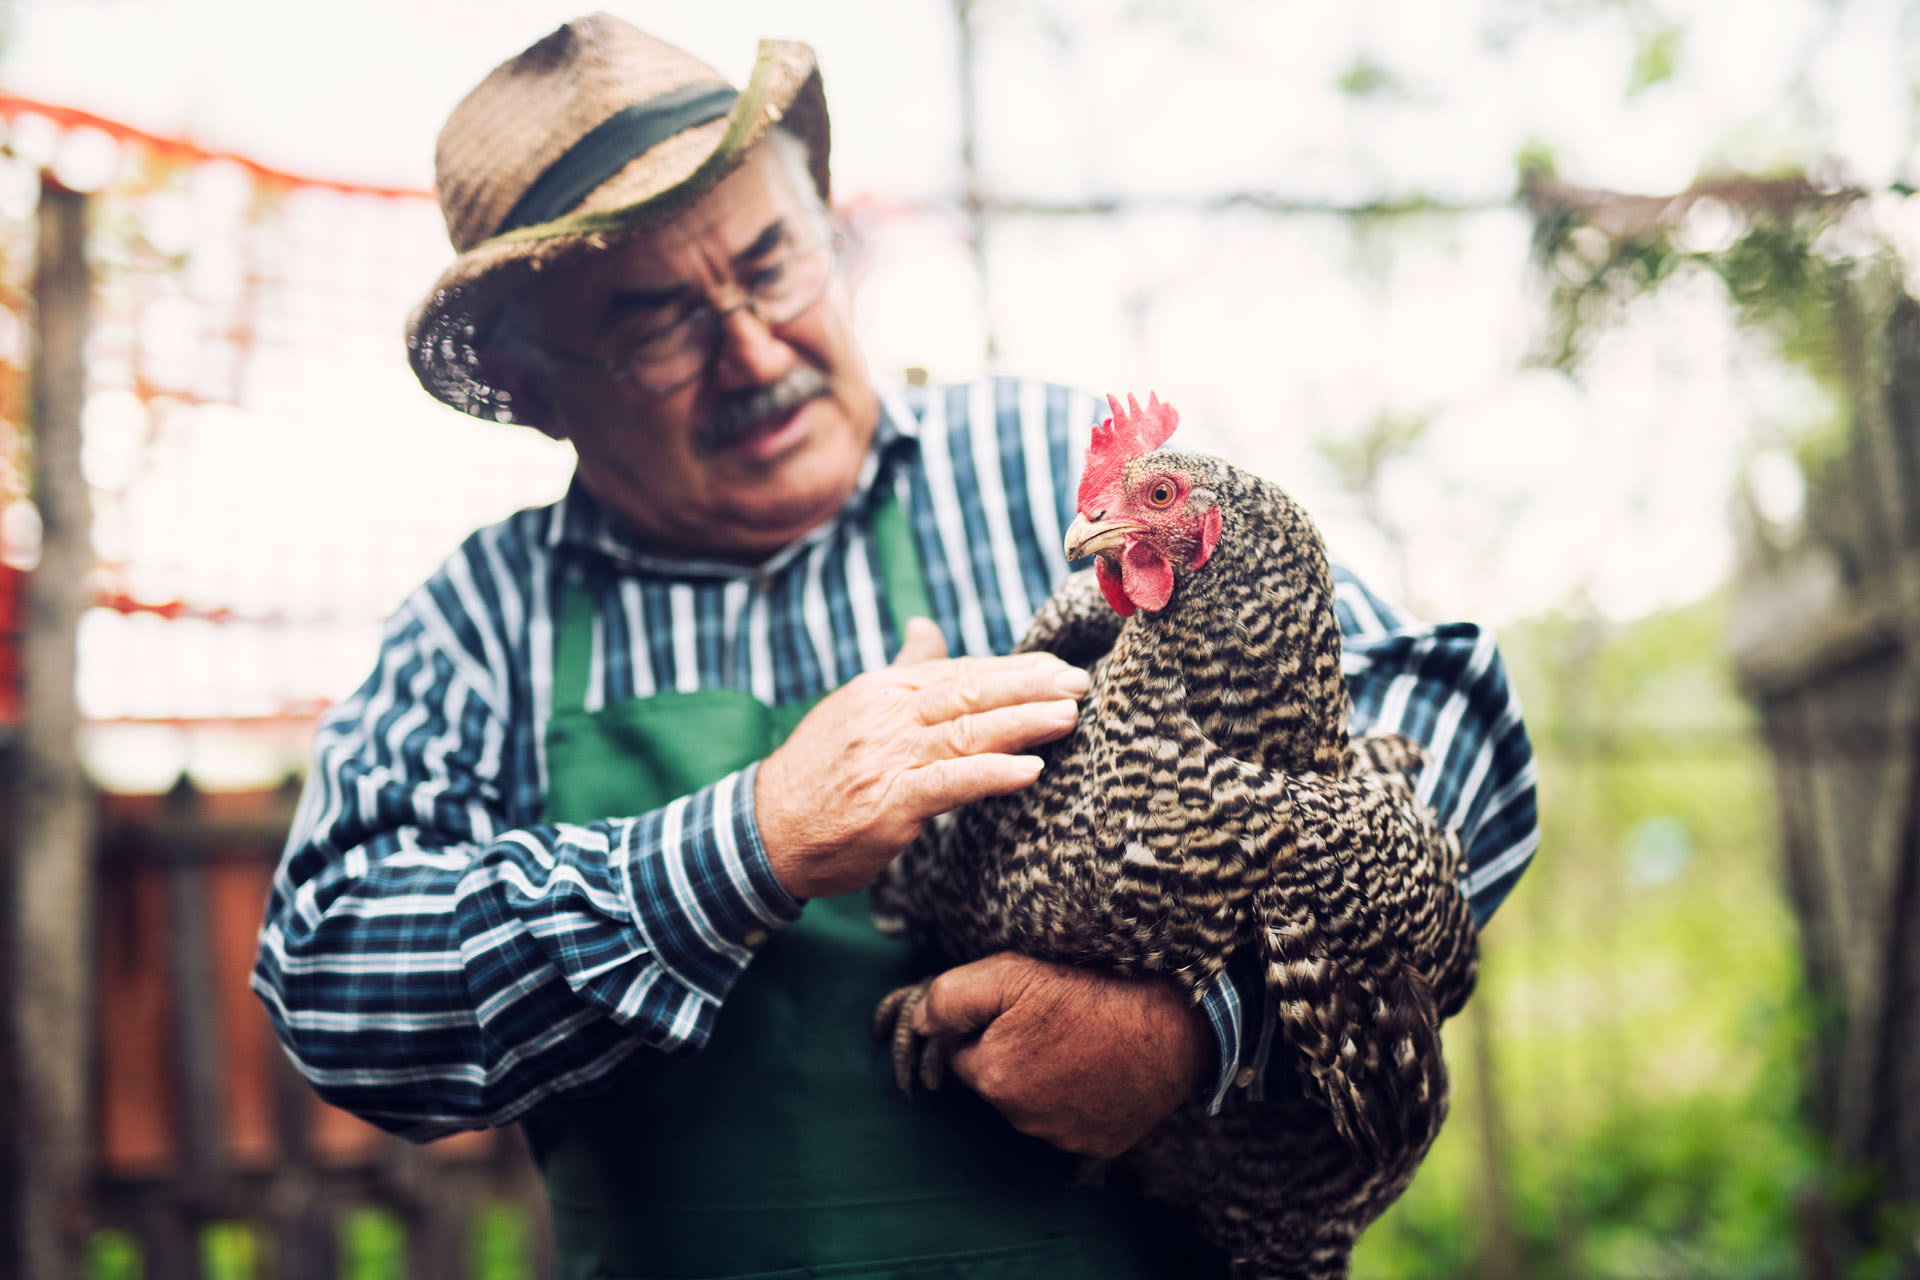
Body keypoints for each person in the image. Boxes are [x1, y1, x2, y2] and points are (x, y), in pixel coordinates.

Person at [252, 15, 1539, 1279]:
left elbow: (1453, 723)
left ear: (828, 223)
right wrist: (744, 842)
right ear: (532, 387)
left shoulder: (1043, 471)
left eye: (771, 263)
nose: (752, 350)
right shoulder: (487, 619)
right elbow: (336, 984)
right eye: (656, 323)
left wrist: (1199, 1027)